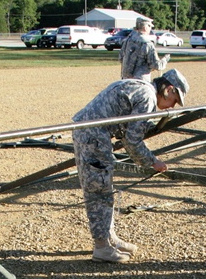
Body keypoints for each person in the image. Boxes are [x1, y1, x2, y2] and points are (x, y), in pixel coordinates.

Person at [72, 69, 189, 263]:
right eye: (175, 100)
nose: (172, 105)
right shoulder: (148, 97)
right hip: (94, 136)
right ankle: (101, 247)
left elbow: (127, 128)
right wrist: (152, 161)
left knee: (105, 189)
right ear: (168, 90)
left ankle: (109, 238)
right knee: (99, 191)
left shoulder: (140, 87)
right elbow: (132, 141)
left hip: (91, 134)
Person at [119, 17, 170, 82]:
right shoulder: (147, 43)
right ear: (145, 27)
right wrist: (165, 60)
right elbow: (156, 65)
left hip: (125, 80)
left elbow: (120, 58)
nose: (150, 29)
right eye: (149, 26)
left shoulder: (127, 40)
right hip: (141, 82)